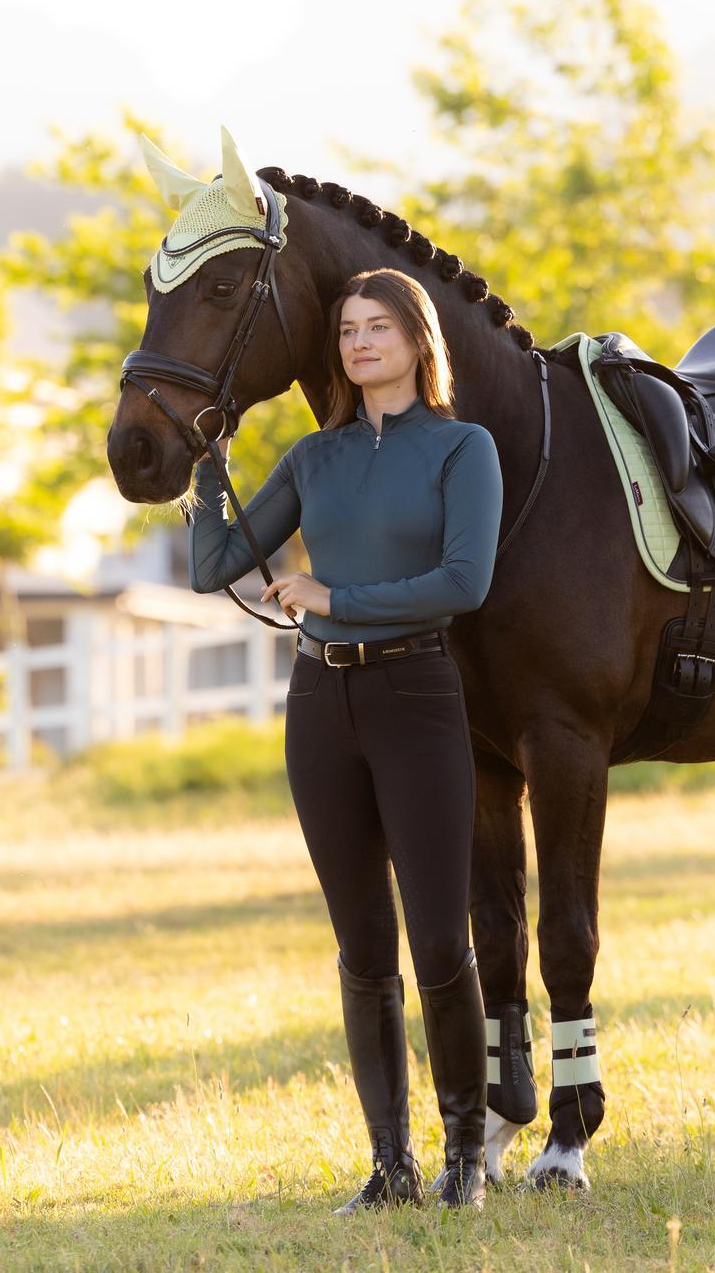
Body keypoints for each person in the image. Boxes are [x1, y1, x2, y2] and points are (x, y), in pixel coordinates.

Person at [187, 267, 504, 1212]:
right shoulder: (315, 458)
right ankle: (389, 1166)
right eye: (348, 331)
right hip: (321, 707)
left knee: (441, 938)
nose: (359, 343)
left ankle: (462, 1161)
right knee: (362, 946)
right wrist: (210, 464)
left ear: (417, 340)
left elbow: (465, 582)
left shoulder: (462, 449)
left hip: (417, 693)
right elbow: (214, 566)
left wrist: (337, 596)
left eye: (378, 327)